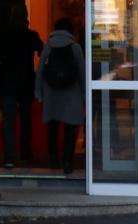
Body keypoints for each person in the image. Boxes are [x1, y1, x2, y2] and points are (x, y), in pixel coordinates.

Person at [35, 17, 85, 176]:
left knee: (53, 126)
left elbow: (40, 71)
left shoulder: (48, 46)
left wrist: (38, 92)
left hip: (52, 93)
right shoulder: (75, 48)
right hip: (71, 94)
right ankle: (67, 162)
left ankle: (53, 157)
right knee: (70, 129)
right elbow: (82, 72)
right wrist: (85, 94)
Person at [0, 4, 43, 166]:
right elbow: (42, 51)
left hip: (8, 82)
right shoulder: (31, 35)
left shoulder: (4, 35)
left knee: (8, 119)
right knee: (25, 118)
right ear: (26, 17)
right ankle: (25, 150)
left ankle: (9, 156)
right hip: (25, 82)